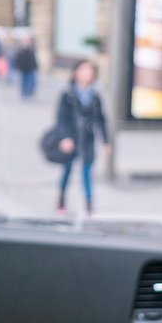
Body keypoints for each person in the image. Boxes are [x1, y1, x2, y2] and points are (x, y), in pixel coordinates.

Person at [53, 58, 111, 215]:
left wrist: (106, 141)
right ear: (76, 73)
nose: (88, 74)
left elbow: (101, 119)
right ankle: (61, 199)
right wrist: (65, 137)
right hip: (72, 138)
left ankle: (89, 204)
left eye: (90, 70)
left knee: (87, 172)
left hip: (87, 139)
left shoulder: (95, 95)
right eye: (85, 70)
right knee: (67, 171)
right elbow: (61, 118)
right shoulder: (68, 93)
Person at [12, 35, 38, 99]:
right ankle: (23, 93)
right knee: (23, 82)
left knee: (30, 82)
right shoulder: (21, 50)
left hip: (30, 68)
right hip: (23, 68)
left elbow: (33, 59)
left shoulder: (31, 49)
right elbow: (18, 59)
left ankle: (28, 93)